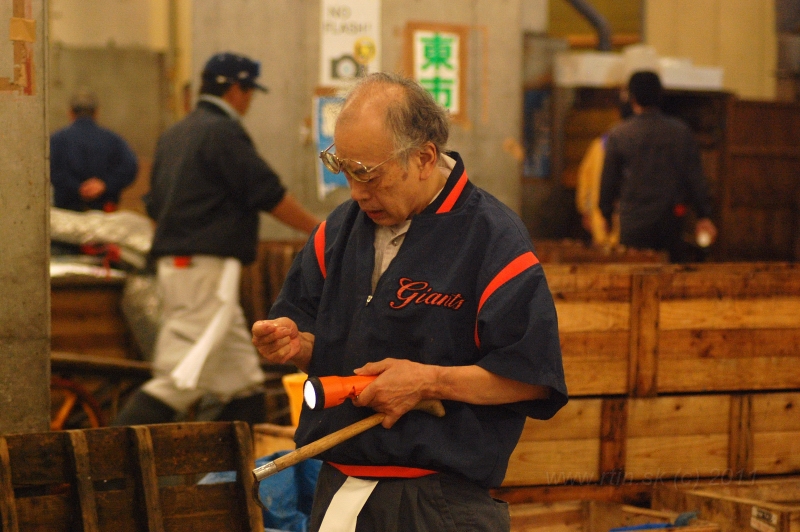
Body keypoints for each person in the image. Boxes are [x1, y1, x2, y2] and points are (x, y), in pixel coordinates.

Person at [252, 72, 567, 531]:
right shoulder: (338, 231)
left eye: (369, 174)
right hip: (338, 487)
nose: (357, 192)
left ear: (423, 158)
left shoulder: (492, 240)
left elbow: (532, 378)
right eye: (345, 169)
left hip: (437, 503)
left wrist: (430, 383)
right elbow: (312, 334)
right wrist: (293, 344)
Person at [113, 52, 321, 427]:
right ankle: (106, 463)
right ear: (237, 90)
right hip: (204, 269)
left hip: (178, 265)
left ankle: (232, 478)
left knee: (240, 381)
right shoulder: (222, 131)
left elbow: (153, 202)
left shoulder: (177, 133)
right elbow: (267, 192)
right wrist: (322, 230)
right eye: (250, 92)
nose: (250, 101)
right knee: (179, 378)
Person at [599, 70, 717, 262]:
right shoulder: (681, 133)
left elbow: (608, 181)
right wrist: (704, 215)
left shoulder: (619, 134)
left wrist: (605, 214)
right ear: (660, 96)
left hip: (633, 222)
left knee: (633, 274)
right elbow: (695, 178)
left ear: (632, 97)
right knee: (670, 273)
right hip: (671, 220)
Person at [50, 89, 139, 212]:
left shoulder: (57, 139)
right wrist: (104, 185)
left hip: (66, 213)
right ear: (96, 113)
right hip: (104, 211)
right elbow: (130, 167)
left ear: (70, 113)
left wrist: (77, 188)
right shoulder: (114, 140)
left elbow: (51, 169)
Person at [574, 99, 633, 247]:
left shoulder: (599, 145)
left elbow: (585, 179)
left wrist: (586, 211)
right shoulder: (639, 144)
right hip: (631, 222)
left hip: (601, 221)